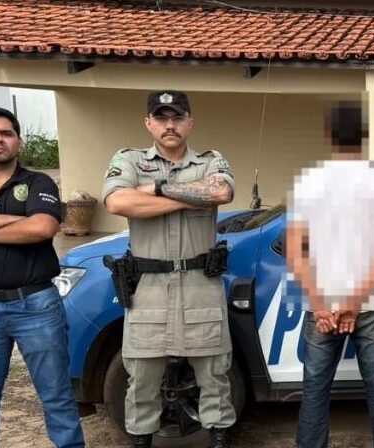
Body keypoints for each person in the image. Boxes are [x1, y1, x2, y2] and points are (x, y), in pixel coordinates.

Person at [102, 91, 237, 448]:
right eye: (161, 118)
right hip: (148, 290)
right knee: (142, 381)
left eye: (177, 117)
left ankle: (218, 439)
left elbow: (220, 192)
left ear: (190, 122)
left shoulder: (211, 160)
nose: (170, 125)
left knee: (215, 378)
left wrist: (157, 189)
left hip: (200, 287)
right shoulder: (128, 160)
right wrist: (188, 197)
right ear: (148, 123)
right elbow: (118, 201)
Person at [288, 103, 374, 448]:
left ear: (329, 135)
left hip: (321, 308)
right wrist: (354, 301)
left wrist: (320, 303)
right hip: (369, 306)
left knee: (314, 390)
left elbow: (295, 250)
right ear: (364, 135)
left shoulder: (309, 183)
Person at [0, 107, 85, 447]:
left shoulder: (38, 182)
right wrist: (20, 219)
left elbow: (44, 227)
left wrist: (30, 222)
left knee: (56, 397)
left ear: (18, 141)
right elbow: (31, 223)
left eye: (6, 133)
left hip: (35, 305)